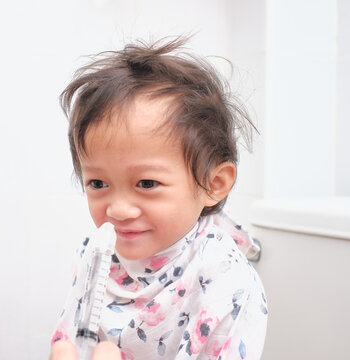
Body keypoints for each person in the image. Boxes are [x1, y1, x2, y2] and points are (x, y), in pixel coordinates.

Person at [50, 37, 268, 360]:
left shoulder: (224, 277)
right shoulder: (96, 254)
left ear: (213, 184)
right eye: (97, 182)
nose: (117, 209)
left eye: (147, 183)